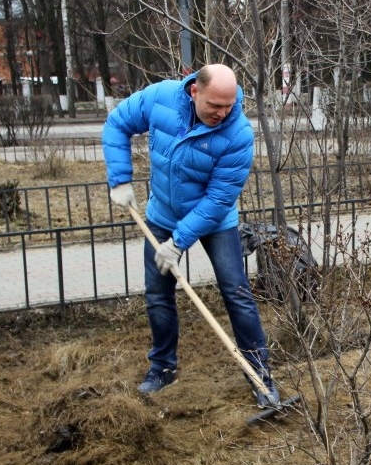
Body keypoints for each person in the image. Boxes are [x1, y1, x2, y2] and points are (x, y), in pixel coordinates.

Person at [102, 64, 280, 407]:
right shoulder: (161, 98)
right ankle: (162, 369)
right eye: (215, 105)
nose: (222, 113)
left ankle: (260, 375)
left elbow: (217, 200)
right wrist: (120, 179)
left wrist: (179, 242)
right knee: (157, 294)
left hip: (215, 221)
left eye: (229, 105)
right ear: (195, 91)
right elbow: (117, 124)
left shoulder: (238, 133)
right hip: (162, 213)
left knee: (237, 293)